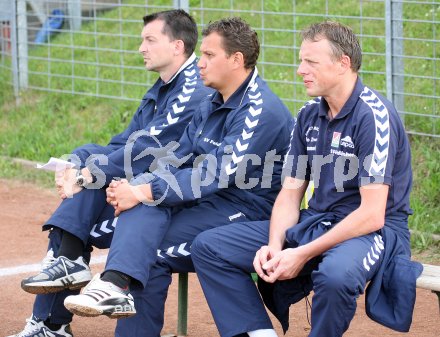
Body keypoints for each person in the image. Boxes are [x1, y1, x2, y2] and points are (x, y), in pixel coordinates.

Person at [62, 17, 294, 337]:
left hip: (248, 209)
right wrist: (138, 186)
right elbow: (176, 155)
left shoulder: (260, 110)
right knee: (143, 210)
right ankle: (113, 283)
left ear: (236, 60)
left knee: (148, 249)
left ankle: (116, 281)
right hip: (210, 202)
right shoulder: (213, 101)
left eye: (210, 55)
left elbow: (213, 174)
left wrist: (144, 191)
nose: (200, 62)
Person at [191, 20, 423, 337]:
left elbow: (371, 215)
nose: (300, 70)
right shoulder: (308, 114)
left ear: (343, 64)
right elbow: (289, 195)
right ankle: (257, 333)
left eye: (310, 62)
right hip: (316, 220)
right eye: (301, 60)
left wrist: (301, 253)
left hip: (374, 231)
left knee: (335, 276)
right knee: (211, 246)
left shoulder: (373, 115)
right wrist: (274, 246)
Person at [11, 9, 213, 337]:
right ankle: (54, 310)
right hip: (141, 191)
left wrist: (87, 173)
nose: (141, 48)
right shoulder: (162, 87)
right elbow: (121, 143)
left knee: (77, 216)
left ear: (177, 46)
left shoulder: (192, 90)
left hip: (170, 200)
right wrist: (74, 163)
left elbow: (144, 148)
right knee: (75, 211)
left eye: (150, 39)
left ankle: (53, 318)